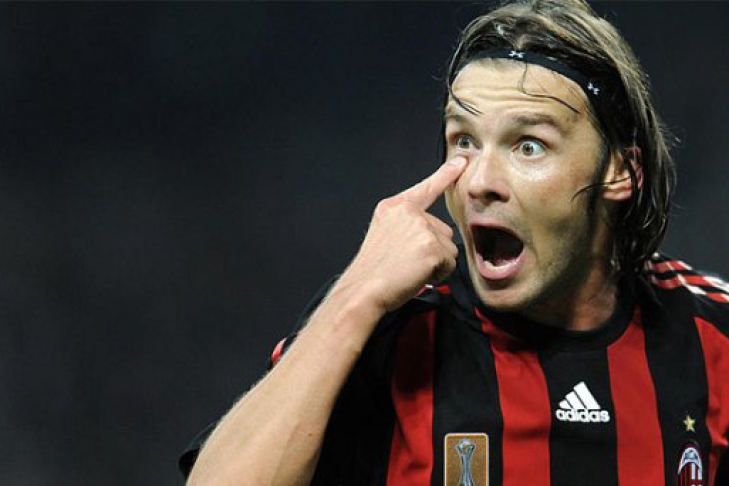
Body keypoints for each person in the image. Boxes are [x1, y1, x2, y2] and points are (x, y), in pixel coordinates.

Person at [180, 0, 729, 484]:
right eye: (463, 140)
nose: (479, 181)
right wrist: (355, 298)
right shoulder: (387, 329)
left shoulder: (712, 335)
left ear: (620, 171)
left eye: (529, 145)